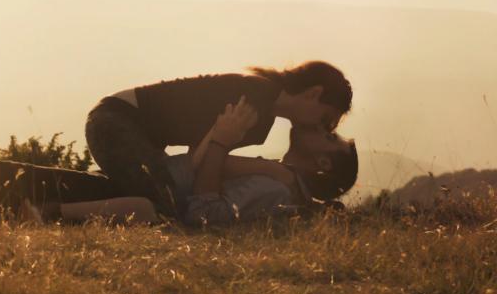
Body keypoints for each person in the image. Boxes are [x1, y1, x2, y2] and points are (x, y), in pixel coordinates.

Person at [22, 98, 358, 226]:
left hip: (158, 202)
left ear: (323, 164)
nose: (321, 129)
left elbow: (204, 213)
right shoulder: (276, 177)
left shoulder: (278, 191)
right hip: (154, 181)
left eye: (330, 138)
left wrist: (222, 142)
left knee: (141, 207)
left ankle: (47, 215)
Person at [85, 61, 353, 219]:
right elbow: (201, 163)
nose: (319, 127)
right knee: (164, 209)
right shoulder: (253, 102)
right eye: (325, 119)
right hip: (115, 123)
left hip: (125, 128)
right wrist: (269, 168)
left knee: (140, 193)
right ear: (313, 94)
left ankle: (50, 187)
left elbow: (199, 161)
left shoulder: (261, 114)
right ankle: (51, 212)